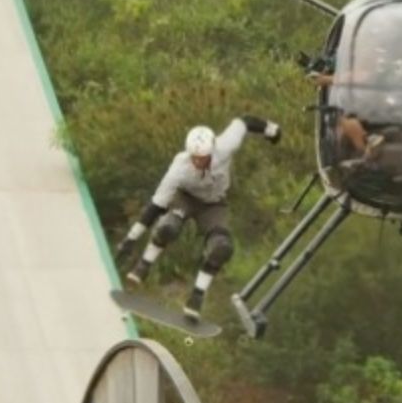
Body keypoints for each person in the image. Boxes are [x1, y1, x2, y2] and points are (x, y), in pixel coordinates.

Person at [115, 116, 281, 321]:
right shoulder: (180, 167)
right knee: (168, 227)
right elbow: (156, 207)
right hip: (184, 198)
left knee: (222, 247)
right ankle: (144, 266)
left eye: (202, 158)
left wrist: (271, 130)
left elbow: (244, 122)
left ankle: (196, 297)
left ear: (212, 151)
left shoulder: (225, 147)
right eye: (194, 157)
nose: (197, 162)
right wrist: (131, 238)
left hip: (213, 204)